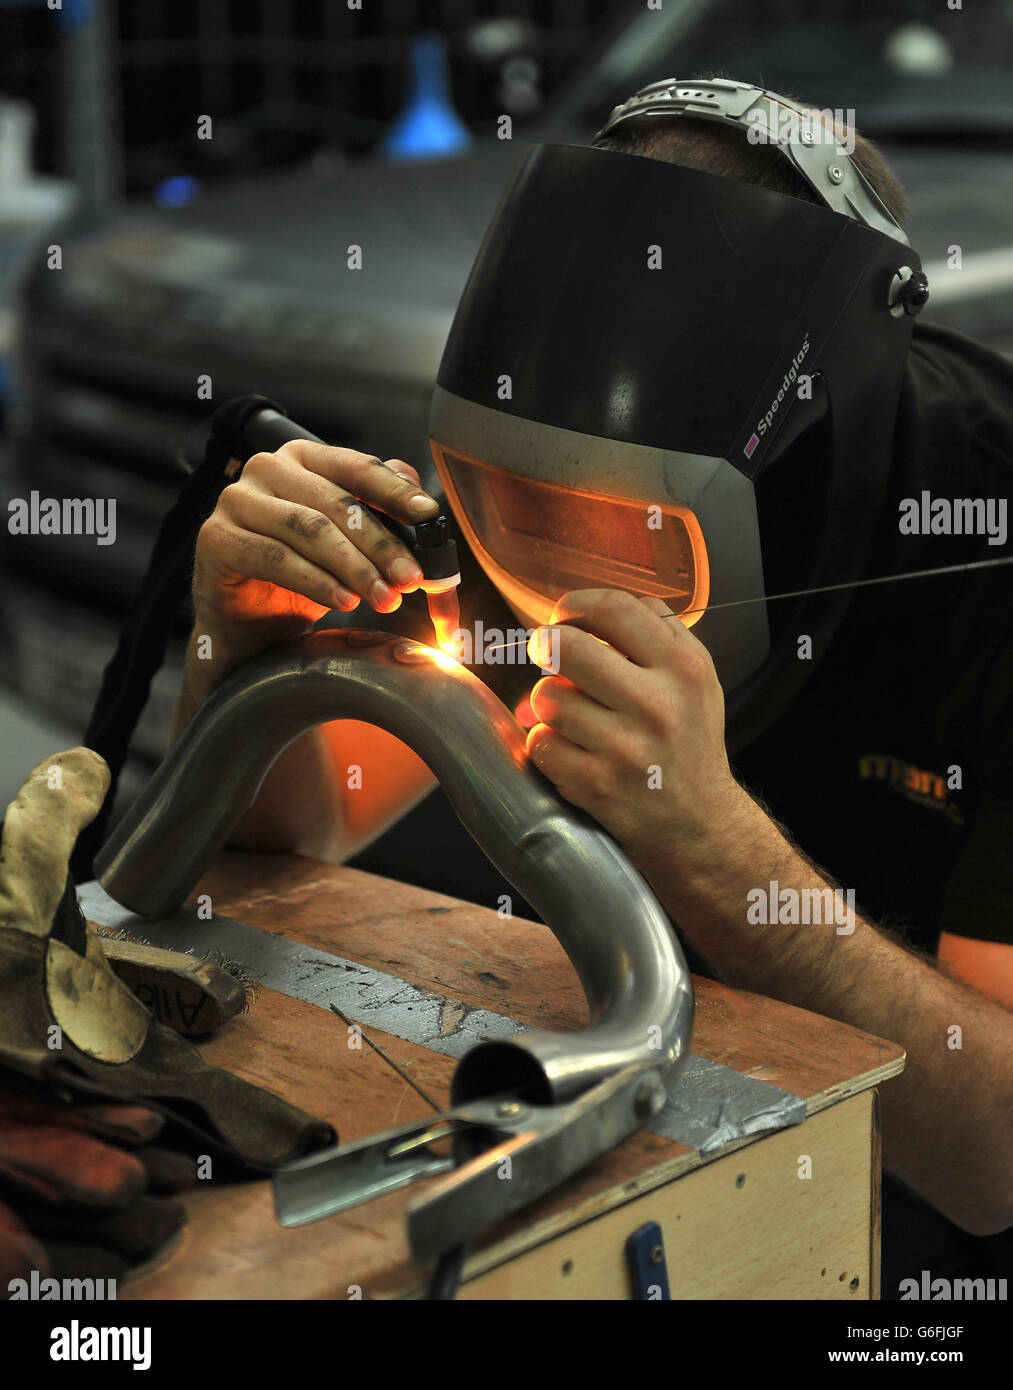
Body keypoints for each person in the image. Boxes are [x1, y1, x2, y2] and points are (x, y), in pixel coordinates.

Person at [170, 80, 1013, 1295]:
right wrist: (232, 653)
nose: (557, 589)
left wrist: (721, 857)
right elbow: (288, 833)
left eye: (627, 537)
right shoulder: (527, 474)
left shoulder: (981, 566)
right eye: (517, 513)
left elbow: (990, 1165)